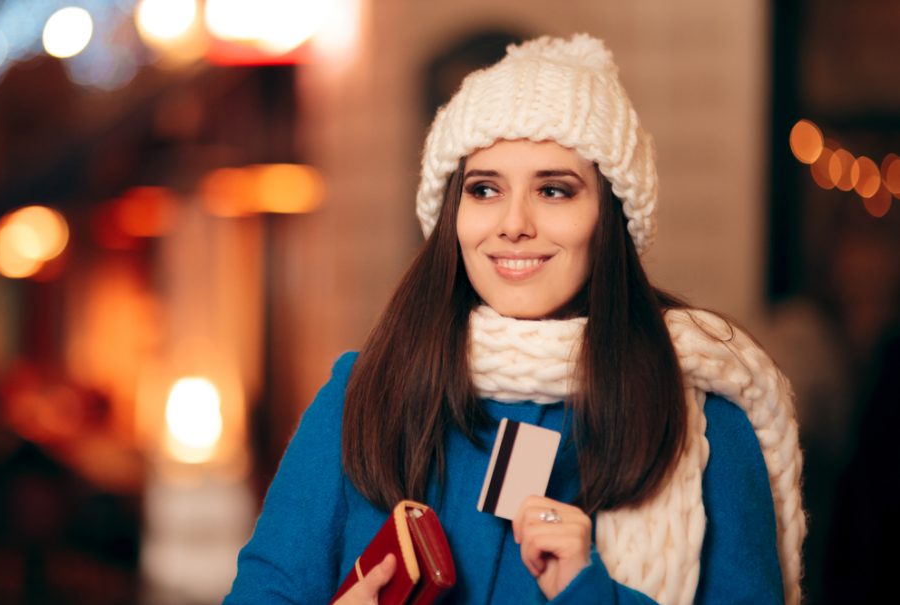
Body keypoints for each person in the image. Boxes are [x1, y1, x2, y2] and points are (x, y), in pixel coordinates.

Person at [225, 34, 805, 604]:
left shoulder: (704, 422)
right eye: (484, 189)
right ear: (453, 213)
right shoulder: (363, 394)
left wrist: (590, 593)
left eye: (554, 190)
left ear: (611, 219)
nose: (514, 223)